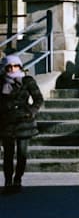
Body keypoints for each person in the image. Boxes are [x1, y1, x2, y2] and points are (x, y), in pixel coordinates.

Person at [0, 55, 44, 194]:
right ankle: (8, 181)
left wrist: (30, 111)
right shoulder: (1, 82)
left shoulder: (27, 81)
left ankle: (18, 179)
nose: (12, 69)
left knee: (22, 153)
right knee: (7, 154)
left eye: (15, 66)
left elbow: (38, 99)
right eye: (9, 67)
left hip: (23, 121)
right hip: (5, 122)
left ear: (20, 66)